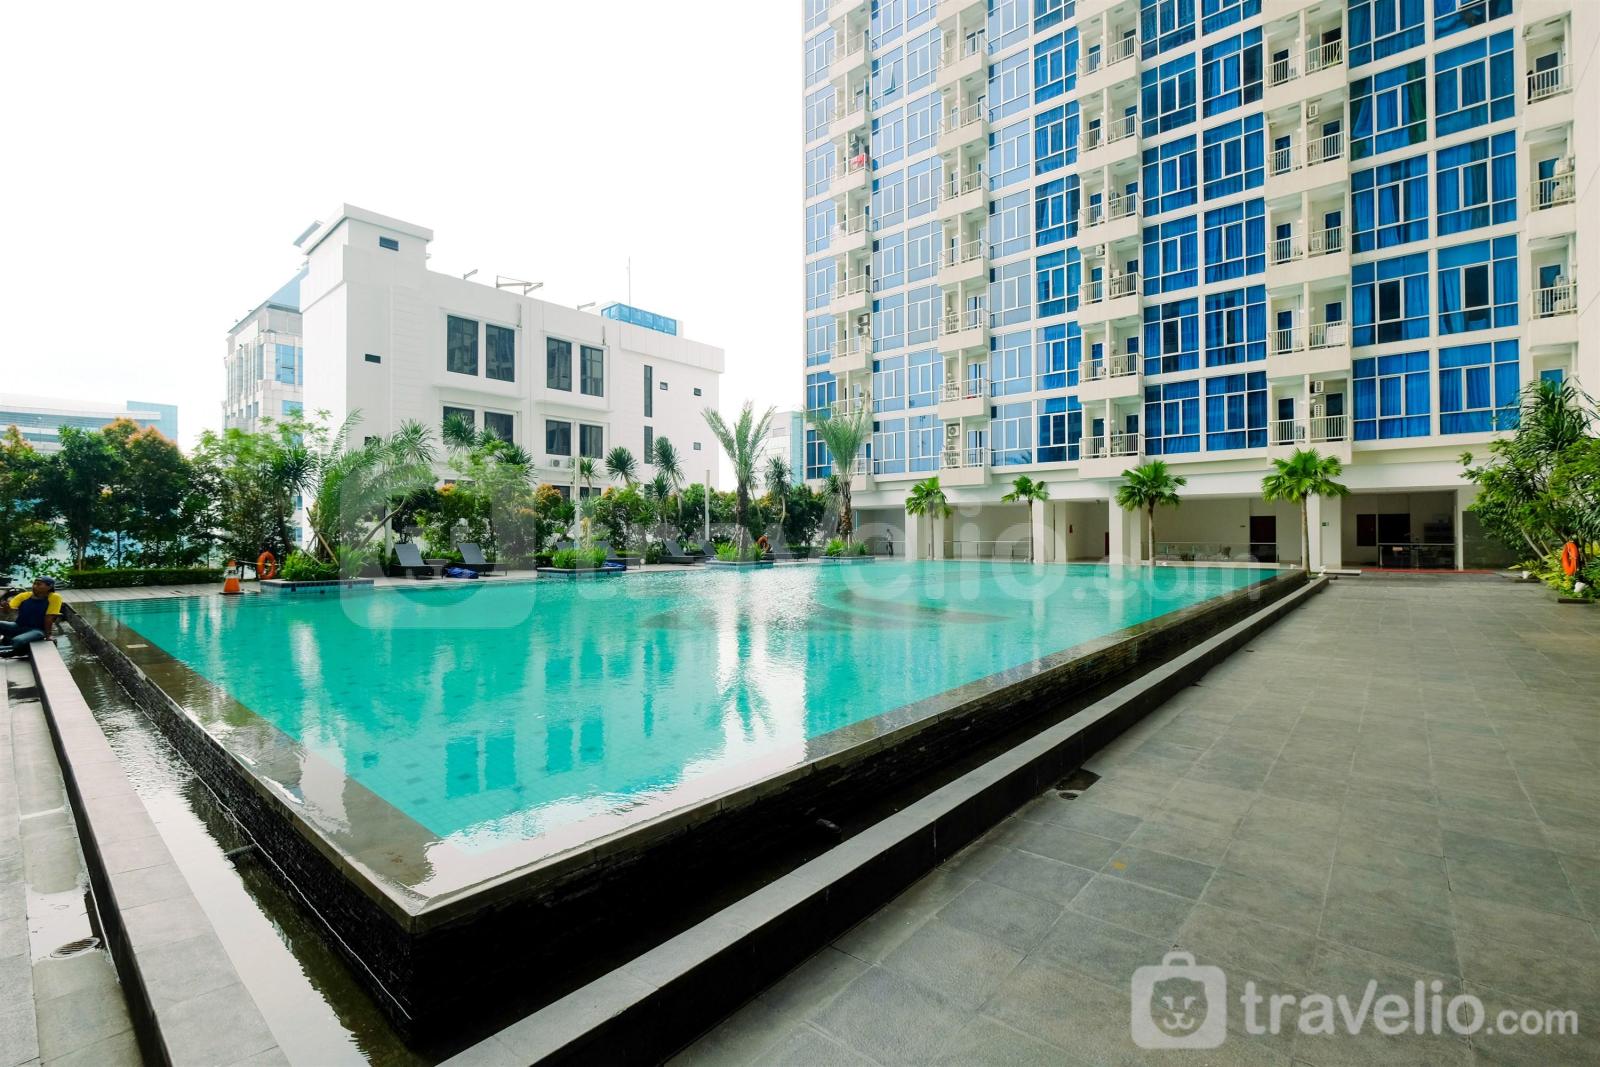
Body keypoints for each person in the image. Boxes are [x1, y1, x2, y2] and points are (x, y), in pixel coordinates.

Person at [1, 577, 63, 659]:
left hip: (37, 630)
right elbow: (8, 611)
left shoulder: (54, 597)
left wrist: (48, 635)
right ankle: (8, 640)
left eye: (39, 584)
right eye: (34, 584)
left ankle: (15, 651)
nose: (34, 586)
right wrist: (6, 607)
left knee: (18, 640)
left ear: (49, 587)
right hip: (18, 626)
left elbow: (49, 617)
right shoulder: (23, 596)